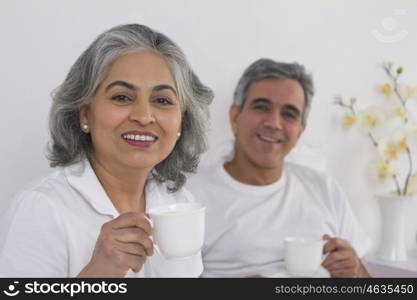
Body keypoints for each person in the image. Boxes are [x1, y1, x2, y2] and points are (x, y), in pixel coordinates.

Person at [0, 24, 213, 277]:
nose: (144, 117)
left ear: (181, 122)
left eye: (162, 100)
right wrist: (97, 274)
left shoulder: (180, 203)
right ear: (85, 114)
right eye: (122, 97)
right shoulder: (41, 209)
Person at [187, 58, 371, 277]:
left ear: (300, 131)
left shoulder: (324, 188)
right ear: (235, 117)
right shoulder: (191, 197)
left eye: (289, 114)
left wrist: (356, 271)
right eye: (262, 107)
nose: (274, 123)